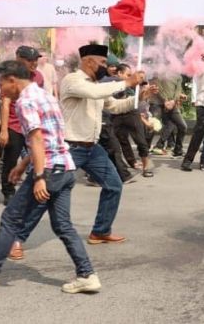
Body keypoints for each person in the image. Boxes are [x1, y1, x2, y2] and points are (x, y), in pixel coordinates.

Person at [0, 60, 100, 294]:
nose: (0, 89)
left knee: (11, 218)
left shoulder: (25, 102)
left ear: (12, 80)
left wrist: (39, 176)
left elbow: (38, 139)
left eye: (1, 83)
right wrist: (22, 165)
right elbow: (51, 138)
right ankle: (87, 275)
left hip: (49, 170)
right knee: (63, 226)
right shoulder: (46, 96)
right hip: (66, 168)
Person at [11, 44, 145, 259]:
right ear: (89, 61)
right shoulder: (73, 80)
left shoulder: (97, 84)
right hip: (68, 148)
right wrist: (127, 82)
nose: (106, 67)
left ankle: (100, 231)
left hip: (92, 148)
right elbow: (94, 92)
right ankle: (16, 239)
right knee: (46, 195)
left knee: (114, 185)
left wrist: (140, 95)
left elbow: (115, 106)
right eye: (102, 63)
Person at [0, 46, 45, 205]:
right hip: (14, 125)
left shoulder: (38, 77)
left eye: (36, 60)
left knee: (35, 156)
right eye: (30, 60)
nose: (34, 63)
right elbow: (5, 103)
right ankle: (8, 191)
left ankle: (35, 186)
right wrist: (4, 130)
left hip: (32, 124)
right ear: (20, 59)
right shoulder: (10, 77)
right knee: (11, 160)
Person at [112, 64, 155, 177]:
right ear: (119, 74)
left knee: (140, 140)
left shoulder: (132, 86)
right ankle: (132, 163)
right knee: (121, 141)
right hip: (116, 115)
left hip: (131, 114)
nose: (130, 77)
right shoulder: (111, 84)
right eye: (128, 75)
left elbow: (138, 99)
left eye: (131, 75)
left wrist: (144, 91)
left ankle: (146, 166)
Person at [181, 54, 204, 171]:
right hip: (202, 104)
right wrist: (193, 99)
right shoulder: (200, 70)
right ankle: (187, 161)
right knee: (199, 132)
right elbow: (195, 82)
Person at [149, 73, 188, 157]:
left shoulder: (178, 76)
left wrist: (173, 101)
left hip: (172, 104)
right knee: (153, 126)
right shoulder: (159, 71)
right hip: (158, 103)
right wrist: (166, 100)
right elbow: (158, 87)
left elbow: (178, 90)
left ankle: (176, 149)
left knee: (182, 126)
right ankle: (146, 148)